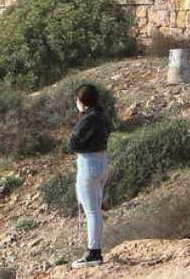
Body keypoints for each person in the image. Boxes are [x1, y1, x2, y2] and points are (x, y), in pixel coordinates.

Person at [67, 83, 113, 269]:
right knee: (96, 210)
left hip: (88, 165)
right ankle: (95, 250)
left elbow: (71, 144)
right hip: (102, 163)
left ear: (82, 101)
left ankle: (93, 252)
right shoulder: (103, 117)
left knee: (91, 212)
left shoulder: (87, 119)